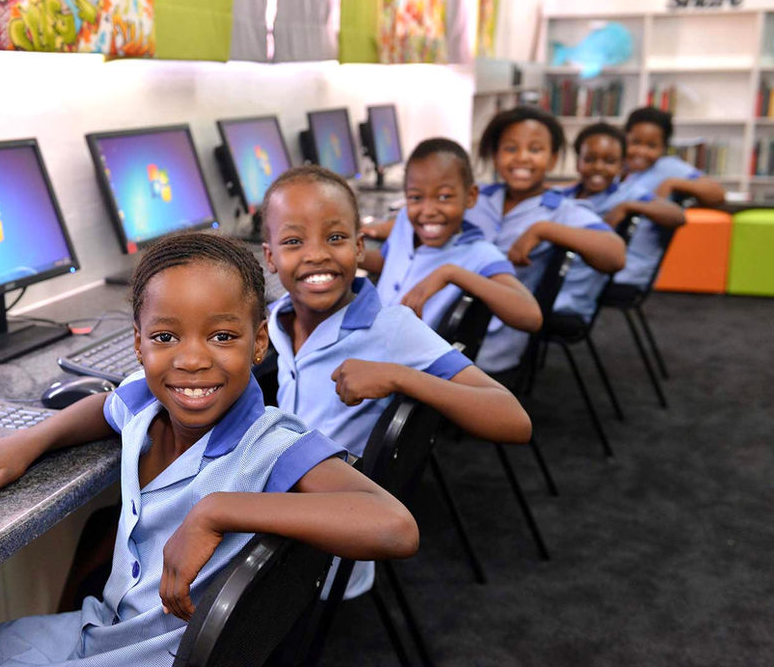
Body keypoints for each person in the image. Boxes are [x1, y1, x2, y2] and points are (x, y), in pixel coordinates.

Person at [0, 233, 419, 667]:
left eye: (220, 336)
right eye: (166, 337)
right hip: (102, 630)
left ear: (259, 343)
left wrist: (216, 511)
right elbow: (104, 406)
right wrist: (28, 441)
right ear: (138, 344)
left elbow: (395, 526)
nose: (191, 360)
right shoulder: (145, 402)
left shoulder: (273, 444)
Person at [259, 165, 531, 599]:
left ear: (360, 247)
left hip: (316, 552)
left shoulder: (390, 329)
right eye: (294, 241)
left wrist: (399, 376)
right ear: (269, 257)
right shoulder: (276, 321)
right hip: (289, 504)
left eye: (335, 238)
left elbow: (515, 420)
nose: (316, 255)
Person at [463, 106, 626, 374]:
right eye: (510, 149)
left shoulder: (561, 209)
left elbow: (615, 255)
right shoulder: (476, 199)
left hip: (492, 339)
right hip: (446, 316)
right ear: (495, 155)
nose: (522, 158)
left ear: (552, 159)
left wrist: (544, 230)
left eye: (535, 149)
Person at [359, 137, 542, 333]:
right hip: (371, 332)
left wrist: (451, 273)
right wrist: (349, 254)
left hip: (402, 357)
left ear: (470, 196)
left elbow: (531, 317)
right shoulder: (405, 221)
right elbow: (389, 260)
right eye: (416, 197)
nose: (428, 210)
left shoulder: (480, 254)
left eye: (444, 196)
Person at [554, 122, 685, 322]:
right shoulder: (564, 194)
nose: (598, 167)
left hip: (572, 291)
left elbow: (677, 216)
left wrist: (629, 206)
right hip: (550, 277)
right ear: (577, 161)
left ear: (622, 164)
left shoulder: (627, 193)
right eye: (589, 159)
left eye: (609, 161)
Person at [613, 106, 725, 289]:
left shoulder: (667, 167)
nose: (641, 151)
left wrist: (674, 183)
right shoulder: (616, 168)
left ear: (663, 148)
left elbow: (717, 194)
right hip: (608, 257)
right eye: (635, 142)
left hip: (630, 268)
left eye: (651, 146)